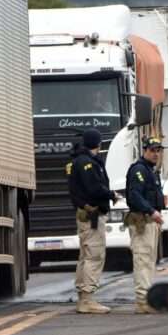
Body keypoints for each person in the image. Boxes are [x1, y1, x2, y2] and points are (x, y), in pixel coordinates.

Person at [67, 128, 117, 314]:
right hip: (92, 215)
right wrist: (110, 194)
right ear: (98, 143)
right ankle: (87, 298)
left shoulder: (77, 161)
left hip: (84, 214)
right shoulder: (87, 163)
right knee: (94, 255)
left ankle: (83, 296)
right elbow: (94, 188)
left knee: (86, 255)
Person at [125, 137, 168, 314]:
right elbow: (134, 196)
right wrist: (151, 211)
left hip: (151, 222)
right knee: (143, 260)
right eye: (152, 150)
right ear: (145, 150)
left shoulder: (150, 170)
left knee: (149, 261)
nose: (156, 154)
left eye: (158, 150)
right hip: (142, 220)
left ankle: (147, 299)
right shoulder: (139, 170)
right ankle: (142, 301)